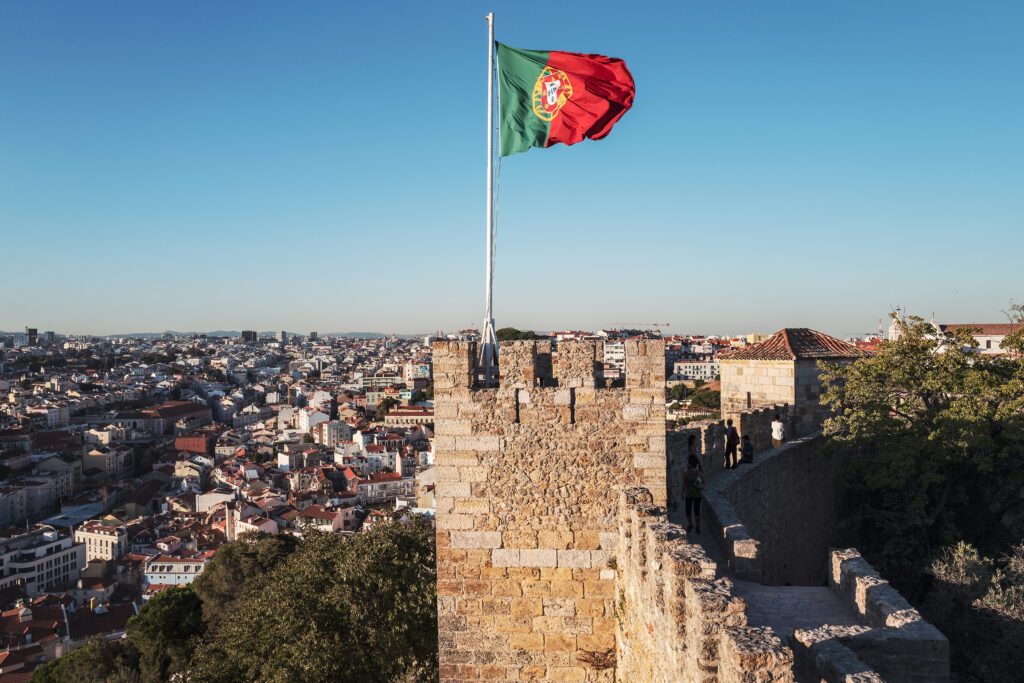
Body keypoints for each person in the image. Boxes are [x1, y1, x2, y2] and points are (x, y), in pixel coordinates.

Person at [683, 454, 703, 533]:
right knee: (696, 511)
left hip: (690, 494)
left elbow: (684, 483)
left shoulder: (687, 473)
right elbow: (702, 484)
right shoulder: (699, 473)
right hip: (696, 495)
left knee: (690, 511)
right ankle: (696, 526)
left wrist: (682, 492)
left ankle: (692, 524)